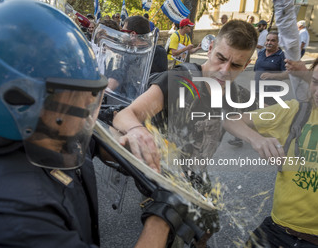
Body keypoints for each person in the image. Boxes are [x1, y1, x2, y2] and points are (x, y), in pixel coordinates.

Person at [0, 0, 202, 247]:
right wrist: (162, 218)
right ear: (16, 100)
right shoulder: (8, 213)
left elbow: (92, 143)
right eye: (73, 99)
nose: (87, 113)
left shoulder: (50, 125)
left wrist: (140, 150)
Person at [113, 20, 258, 247]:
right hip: (164, 174)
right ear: (210, 48)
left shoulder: (236, 94)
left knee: (208, 226)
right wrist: (137, 130)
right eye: (221, 58)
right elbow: (125, 115)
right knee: (169, 233)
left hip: (197, 174)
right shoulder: (179, 81)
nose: (225, 70)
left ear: (247, 64)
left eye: (236, 65)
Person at [223, 58, 318, 247]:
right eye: (315, 82)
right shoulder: (295, 110)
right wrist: (256, 138)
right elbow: (230, 120)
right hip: (277, 228)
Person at [254, 31, 289, 105]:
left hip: (271, 94)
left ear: (278, 42)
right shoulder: (261, 53)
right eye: (267, 40)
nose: (269, 42)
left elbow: (288, 74)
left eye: (273, 40)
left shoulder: (282, 56)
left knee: (267, 114)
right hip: (257, 91)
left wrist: (272, 75)